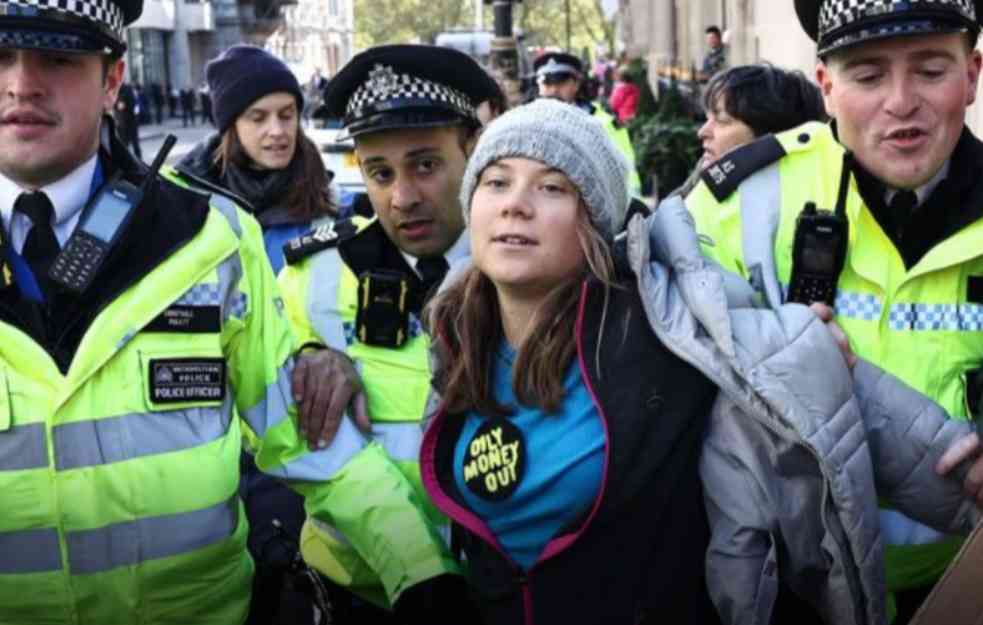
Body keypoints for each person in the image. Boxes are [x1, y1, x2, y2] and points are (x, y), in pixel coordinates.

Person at [419, 98, 983, 625]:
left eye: (551, 187)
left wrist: (961, 469)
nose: (516, 202)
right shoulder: (453, 334)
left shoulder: (666, 326)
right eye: (496, 182)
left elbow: (807, 373)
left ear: (594, 225)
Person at [0, 1, 465, 623]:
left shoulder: (209, 240)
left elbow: (308, 438)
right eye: (1, 56)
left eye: (57, 57)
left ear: (112, 79)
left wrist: (420, 571)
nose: (22, 84)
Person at [686, 0, 983, 621]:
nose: (901, 102)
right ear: (825, 86)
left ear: (973, 73)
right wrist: (764, 342)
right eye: (868, 76)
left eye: (931, 71)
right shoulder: (746, 198)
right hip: (794, 588)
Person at [277, 44, 500, 621]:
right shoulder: (313, 279)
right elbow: (304, 448)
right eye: (380, 173)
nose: (402, 198)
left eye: (425, 165)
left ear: (471, 150)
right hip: (359, 594)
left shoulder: (529, 265)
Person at [169, 44, 340, 624]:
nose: (277, 132)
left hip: (300, 432)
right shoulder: (184, 211)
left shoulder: (329, 207)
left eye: (287, 115)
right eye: (258, 117)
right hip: (208, 445)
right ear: (228, 127)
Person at [671, 63, 827, 198]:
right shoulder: (704, 177)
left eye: (722, 120)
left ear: (768, 139)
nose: (702, 132)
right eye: (707, 118)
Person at [534, 51, 642, 194]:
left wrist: (632, 205)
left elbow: (626, 168)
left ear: (576, 85)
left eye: (561, 83)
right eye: (547, 83)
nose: (554, 90)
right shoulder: (523, 122)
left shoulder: (602, 122)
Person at [114, 80, 142, 159]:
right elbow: (114, 105)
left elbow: (133, 104)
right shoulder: (116, 90)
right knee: (125, 144)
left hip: (129, 121)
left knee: (133, 143)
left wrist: (123, 104)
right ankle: (128, 161)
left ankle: (138, 161)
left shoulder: (127, 89)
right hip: (122, 121)